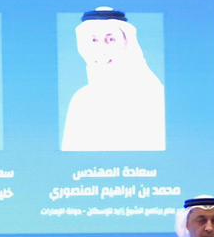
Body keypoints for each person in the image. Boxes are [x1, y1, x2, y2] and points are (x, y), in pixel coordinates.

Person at [60, 8, 165, 151]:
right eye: (94, 40)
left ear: (126, 43)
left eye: (110, 39)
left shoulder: (152, 93)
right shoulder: (81, 99)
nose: (101, 49)